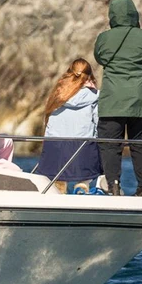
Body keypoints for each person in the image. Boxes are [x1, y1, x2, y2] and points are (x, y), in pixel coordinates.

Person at [94, 0, 142, 197]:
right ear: (134, 14)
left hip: (112, 100)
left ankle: (113, 184)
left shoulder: (104, 38)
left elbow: (100, 58)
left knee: (110, 145)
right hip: (140, 100)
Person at [36, 59, 102, 193]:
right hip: (82, 148)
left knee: (58, 179)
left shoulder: (58, 94)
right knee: (94, 147)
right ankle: (82, 186)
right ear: (89, 75)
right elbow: (97, 121)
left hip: (55, 147)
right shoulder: (95, 96)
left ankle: (59, 188)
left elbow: (48, 121)